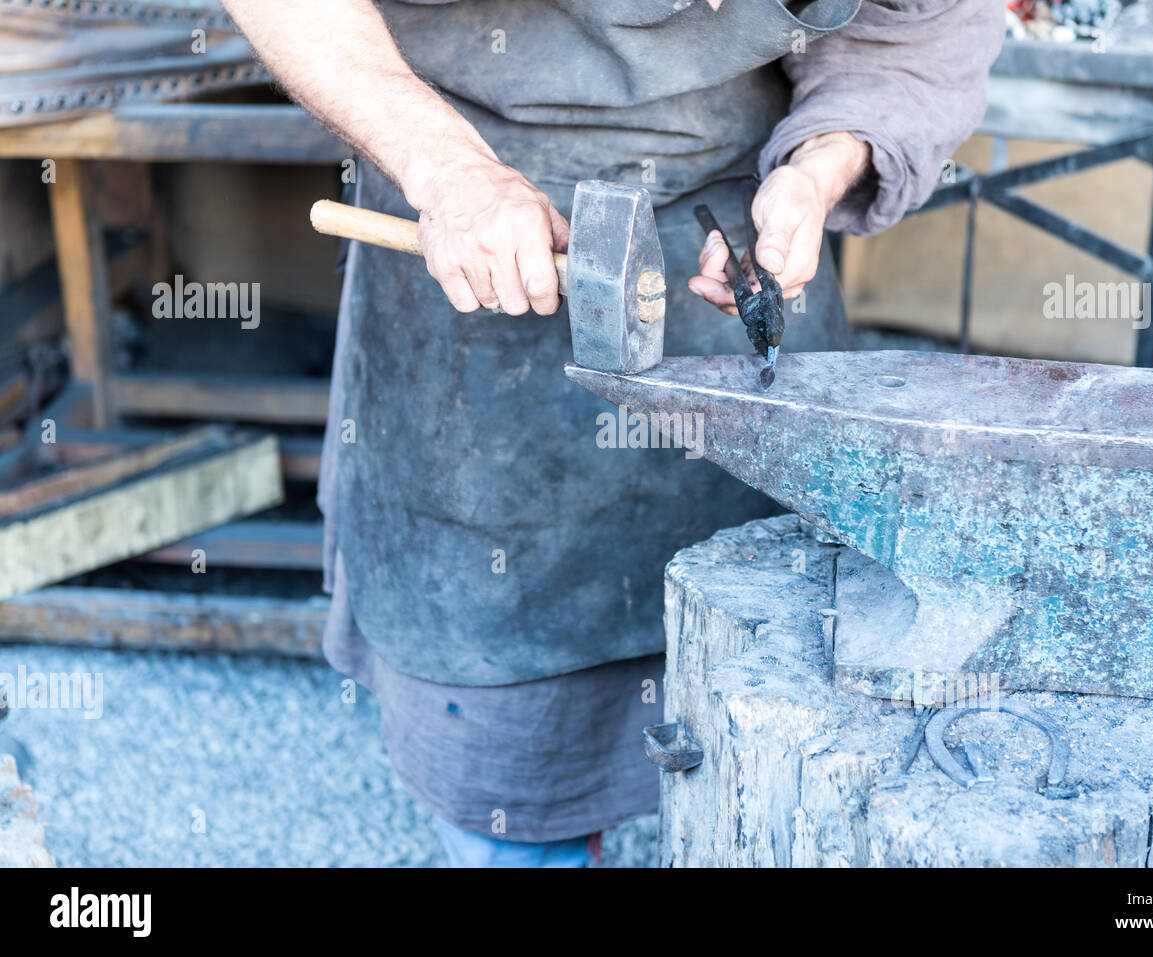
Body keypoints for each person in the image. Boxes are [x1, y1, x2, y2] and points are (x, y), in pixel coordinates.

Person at [220, 0, 1003, 867]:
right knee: (510, 755)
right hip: (469, 231)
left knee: (783, 696)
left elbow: (915, 28)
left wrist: (818, 169)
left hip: (728, 221)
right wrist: (445, 171)